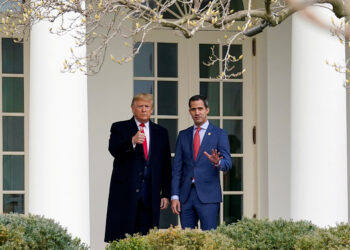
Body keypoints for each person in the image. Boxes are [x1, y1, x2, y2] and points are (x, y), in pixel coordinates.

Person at [104, 93, 172, 242]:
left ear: (152, 109)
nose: (143, 110)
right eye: (139, 106)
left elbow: (166, 165)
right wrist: (132, 141)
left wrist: (165, 193)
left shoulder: (161, 132)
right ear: (133, 109)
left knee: (148, 238)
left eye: (147, 106)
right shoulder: (120, 127)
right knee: (123, 237)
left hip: (150, 194)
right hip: (126, 193)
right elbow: (113, 150)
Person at [171, 95, 232, 230]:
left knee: (209, 240)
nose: (197, 112)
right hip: (185, 197)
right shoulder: (183, 135)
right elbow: (177, 169)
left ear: (207, 110)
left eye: (200, 108)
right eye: (193, 109)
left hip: (208, 197)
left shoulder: (219, 134)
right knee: (188, 242)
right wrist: (175, 196)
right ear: (189, 111)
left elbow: (228, 163)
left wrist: (218, 163)